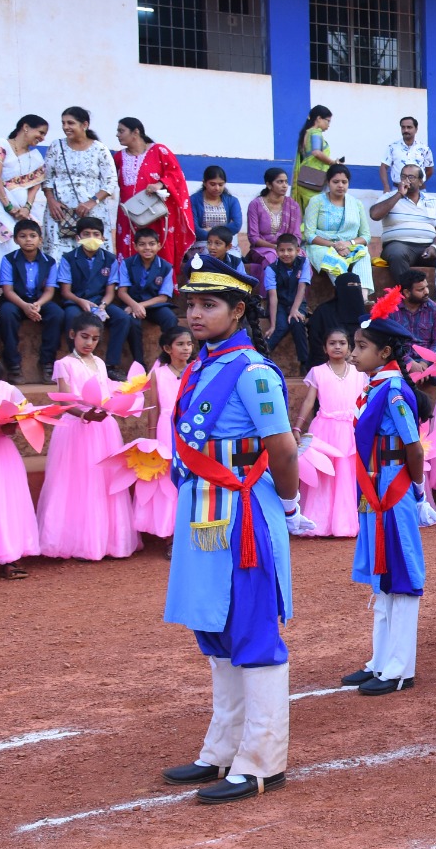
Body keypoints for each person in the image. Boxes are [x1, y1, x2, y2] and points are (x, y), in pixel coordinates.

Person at [160, 253, 311, 804]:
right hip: (203, 511)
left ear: (239, 310)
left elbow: (283, 448)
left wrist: (290, 506)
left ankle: (262, 761)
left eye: (209, 305)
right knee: (215, 631)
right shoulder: (203, 365)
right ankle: (222, 749)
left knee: (252, 630)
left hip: (244, 513)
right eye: (191, 305)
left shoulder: (253, 372)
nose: (195, 315)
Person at [341, 289, 434, 697]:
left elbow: (413, 446)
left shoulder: (393, 390)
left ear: (383, 353)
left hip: (392, 490)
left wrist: (418, 493)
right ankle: (380, 660)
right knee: (383, 576)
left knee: (401, 573)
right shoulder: (376, 387)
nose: (352, 353)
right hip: (375, 487)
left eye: (361, 346)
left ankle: (400, 667)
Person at [37, 311, 141, 559]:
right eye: (84, 337)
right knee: (77, 481)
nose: (89, 343)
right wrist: (84, 415)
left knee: (103, 481)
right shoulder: (64, 364)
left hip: (103, 428)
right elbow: (64, 401)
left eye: (94, 339)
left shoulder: (101, 363)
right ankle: (77, 542)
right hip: (77, 428)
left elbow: (105, 393)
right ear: (72, 334)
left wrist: (116, 405)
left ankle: (107, 541)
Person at [293, 326, 364, 538]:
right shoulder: (318, 372)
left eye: (342, 343)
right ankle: (319, 523)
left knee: (347, 474)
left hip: (351, 429)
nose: (337, 347)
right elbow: (309, 401)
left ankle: (345, 524)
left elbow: (365, 401)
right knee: (324, 475)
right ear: (325, 348)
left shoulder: (359, 373)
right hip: (324, 429)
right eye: (332, 343)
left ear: (349, 347)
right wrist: (298, 426)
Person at [133, 325, 193, 541]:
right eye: (180, 344)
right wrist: (151, 438)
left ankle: (189, 532)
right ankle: (170, 535)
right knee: (168, 478)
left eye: (189, 344)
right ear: (168, 348)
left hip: (192, 429)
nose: (186, 348)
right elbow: (154, 407)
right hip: (166, 429)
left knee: (190, 474)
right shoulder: (158, 373)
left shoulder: (196, 370)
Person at [114, 117, 196, 271]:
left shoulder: (159, 151)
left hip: (155, 214)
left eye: (121, 131)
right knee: (128, 248)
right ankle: (128, 282)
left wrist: (160, 183)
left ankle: (162, 282)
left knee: (158, 248)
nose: (117, 135)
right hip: (128, 215)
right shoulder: (118, 157)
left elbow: (176, 175)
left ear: (135, 132)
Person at [57, 215, 129, 380]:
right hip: (76, 301)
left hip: (99, 301)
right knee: (71, 316)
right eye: (86, 234)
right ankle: (76, 361)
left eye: (96, 234)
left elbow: (110, 292)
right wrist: (80, 301)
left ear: (103, 238)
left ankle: (111, 365)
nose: (91, 238)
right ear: (78, 238)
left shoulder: (110, 259)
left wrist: (103, 305)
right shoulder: (68, 258)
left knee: (122, 318)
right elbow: (66, 291)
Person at [41, 106, 117, 258]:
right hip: (60, 213)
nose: (65, 127)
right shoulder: (56, 146)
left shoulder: (99, 149)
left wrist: (91, 202)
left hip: (91, 212)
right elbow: (47, 178)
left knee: (91, 253)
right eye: (63, 123)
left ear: (84, 125)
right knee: (57, 255)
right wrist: (51, 201)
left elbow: (110, 181)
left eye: (70, 123)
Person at [0, 364, 43, 579]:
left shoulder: (8, 389)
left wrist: (10, 426)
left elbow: (23, 416)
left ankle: (9, 558)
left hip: (1, 452)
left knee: (4, 502)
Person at [0, 219, 62, 381]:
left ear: (40, 239)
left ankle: (47, 362)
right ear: (15, 240)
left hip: (39, 302)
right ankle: (13, 364)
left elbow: (49, 290)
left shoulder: (49, 262)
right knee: (6, 313)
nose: (28, 240)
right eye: (23, 236)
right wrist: (25, 306)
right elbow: (8, 290)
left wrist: (38, 304)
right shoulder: (9, 259)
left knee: (57, 313)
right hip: (16, 301)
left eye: (33, 236)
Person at [370, 165, 436, 282]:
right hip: (399, 245)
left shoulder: (433, 201)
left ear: (421, 181)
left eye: (411, 177)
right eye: (403, 176)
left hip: (428, 247)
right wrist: (399, 194)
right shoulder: (389, 197)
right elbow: (374, 215)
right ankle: (407, 291)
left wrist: (434, 246)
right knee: (396, 254)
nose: (406, 180)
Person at [113, 226, 179, 367]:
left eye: (151, 244)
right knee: (132, 323)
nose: (147, 248)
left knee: (170, 318)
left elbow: (163, 297)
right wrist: (134, 305)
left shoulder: (166, 267)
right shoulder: (127, 263)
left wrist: (140, 306)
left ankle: (168, 357)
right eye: (142, 244)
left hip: (154, 305)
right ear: (135, 246)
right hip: (131, 303)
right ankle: (139, 363)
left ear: (159, 245)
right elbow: (122, 292)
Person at [302, 164, 373, 286]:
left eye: (344, 182)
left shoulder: (356, 204)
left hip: (349, 246)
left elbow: (366, 236)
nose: (340, 185)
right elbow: (309, 235)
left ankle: (363, 294)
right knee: (334, 261)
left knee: (364, 255)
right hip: (322, 246)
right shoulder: (317, 201)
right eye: (336, 182)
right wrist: (335, 245)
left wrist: (348, 244)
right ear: (328, 182)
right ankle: (347, 292)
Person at [0, 115, 48, 262]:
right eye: (41, 132)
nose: (42, 138)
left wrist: (27, 208)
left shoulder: (36, 158)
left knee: (23, 243)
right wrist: (8, 206)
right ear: (25, 127)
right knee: (5, 242)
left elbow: (34, 187)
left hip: (21, 212)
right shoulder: (2, 144)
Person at [243, 168, 303, 284]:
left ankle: (298, 294)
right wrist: (275, 247)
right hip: (263, 249)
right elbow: (253, 237)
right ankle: (270, 293)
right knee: (272, 257)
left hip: (288, 246)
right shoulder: (255, 205)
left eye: (286, 182)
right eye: (280, 182)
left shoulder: (293, 205)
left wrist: (287, 248)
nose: (284, 185)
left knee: (302, 258)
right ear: (269, 185)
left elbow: (297, 235)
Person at [264, 234, 311, 369]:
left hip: (298, 302)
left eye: (290, 250)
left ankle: (304, 363)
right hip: (279, 303)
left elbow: (302, 287)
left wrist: (295, 309)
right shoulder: (271, 269)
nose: (286, 254)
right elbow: (273, 296)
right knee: (280, 327)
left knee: (297, 321)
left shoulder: (304, 262)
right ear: (276, 251)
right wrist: (272, 324)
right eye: (282, 250)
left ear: (297, 250)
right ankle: (261, 354)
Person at [308, 272, 365, 369]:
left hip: (358, 365)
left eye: (358, 285)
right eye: (351, 285)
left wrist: (355, 357)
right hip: (327, 363)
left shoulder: (363, 315)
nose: (355, 288)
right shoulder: (323, 312)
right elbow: (315, 340)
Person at [394, 269, 436, 368]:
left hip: (428, 362)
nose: (426, 292)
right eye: (421, 289)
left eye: (426, 287)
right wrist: (409, 362)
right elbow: (389, 342)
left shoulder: (434, 309)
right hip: (399, 361)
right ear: (407, 293)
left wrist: (425, 362)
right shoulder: (392, 310)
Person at [291, 105, 333, 210]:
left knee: (306, 212)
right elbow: (316, 152)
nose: (328, 125)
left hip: (304, 178)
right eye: (328, 121)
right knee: (315, 212)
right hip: (314, 179)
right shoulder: (315, 132)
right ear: (319, 118)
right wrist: (333, 162)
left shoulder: (306, 133)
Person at [380, 115, 434, 192]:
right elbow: (383, 167)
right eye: (403, 127)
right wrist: (386, 187)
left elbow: (429, 170)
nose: (406, 130)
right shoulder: (393, 147)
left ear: (416, 129)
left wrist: (418, 182)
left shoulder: (424, 149)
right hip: (398, 190)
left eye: (409, 127)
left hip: (418, 190)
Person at [191, 166, 243, 241]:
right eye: (212, 184)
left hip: (224, 243)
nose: (217, 188)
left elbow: (236, 225)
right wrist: (224, 230)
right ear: (204, 183)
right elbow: (194, 229)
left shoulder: (232, 201)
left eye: (221, 185)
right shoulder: (193, 201)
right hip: (202, 242)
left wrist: (211, 230)